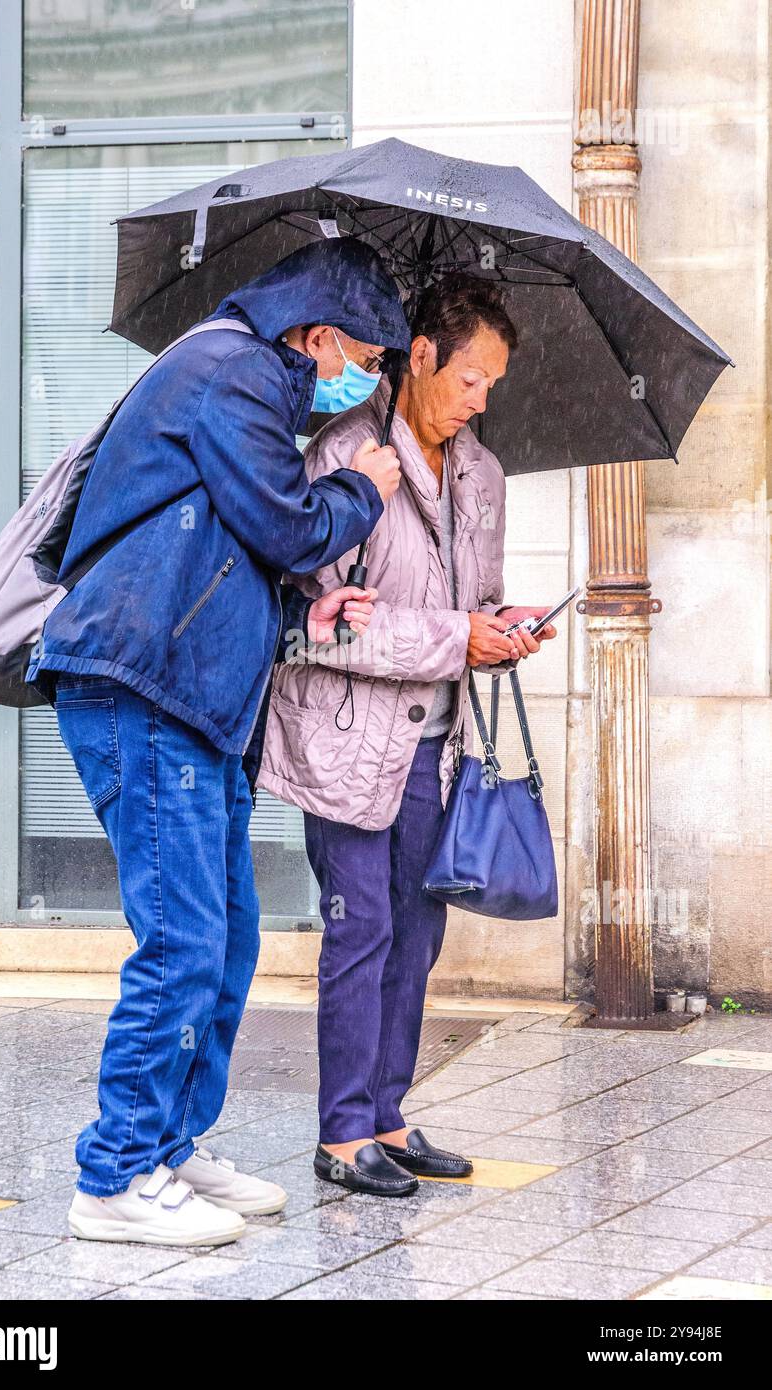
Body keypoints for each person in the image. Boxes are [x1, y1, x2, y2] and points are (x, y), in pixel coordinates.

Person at [26, 238, 409, 1244]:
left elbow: (229, 553)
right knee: (184, 937)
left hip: (195, 694)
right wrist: (364, 486)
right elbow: (286, 527)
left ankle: (168, 1146)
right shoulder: (232, 369)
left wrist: (306, 623)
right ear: (317, 336)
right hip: (145, 686)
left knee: (226, 936)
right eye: (364, 359)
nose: (364, 383)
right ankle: (111, 1176)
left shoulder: (252, 381)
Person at [258, 274, 556, 1197]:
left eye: (492, 388)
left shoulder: (483, 474)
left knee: (418, 938)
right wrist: (452, 636)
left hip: (437, 743)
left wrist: (500, 629)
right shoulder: (344, 457)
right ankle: (342, 1134)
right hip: (345, 744)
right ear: (419, 354)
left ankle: (387, 1116)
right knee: (364, 932)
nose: (479, 401)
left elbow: (463, 608)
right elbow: (320, 625)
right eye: (469, 379)